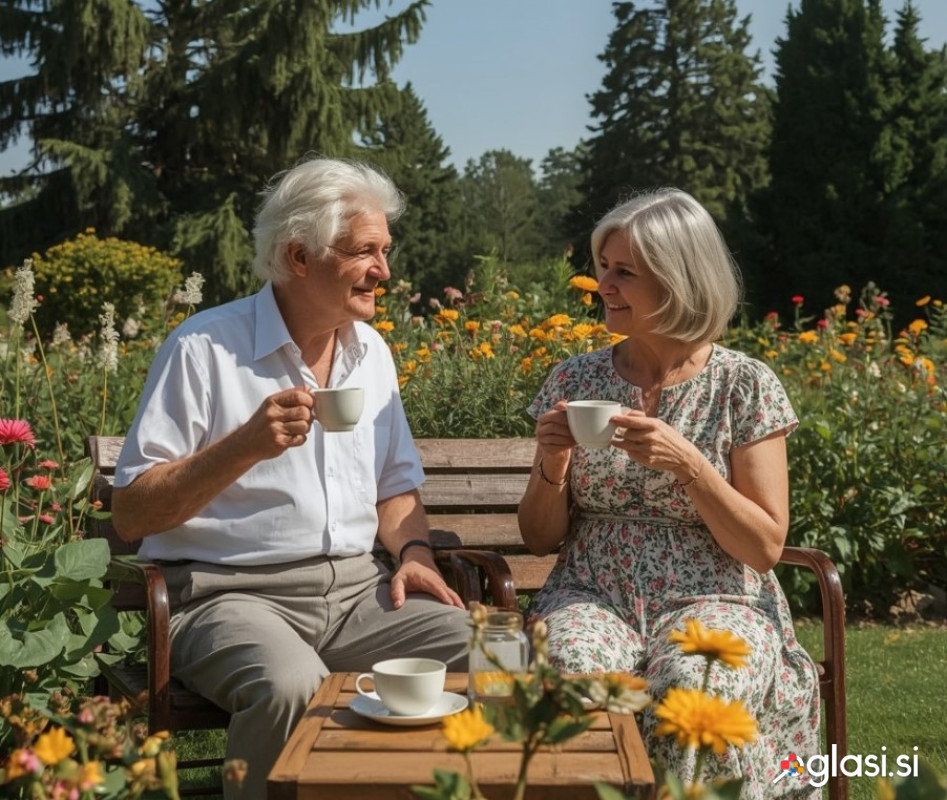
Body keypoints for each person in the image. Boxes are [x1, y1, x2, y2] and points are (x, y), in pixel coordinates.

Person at [111, 157, 470, 799]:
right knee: (289, 683)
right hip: (229, 598)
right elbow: (133, 513)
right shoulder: (203, 348)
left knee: (494, 656)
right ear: (300, 256)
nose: (384, 271)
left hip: (359, 596)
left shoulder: (371, 352)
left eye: (385, 250)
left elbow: (394, 486)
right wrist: (243, 446)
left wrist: (414, 553)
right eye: (366, 251)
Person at [518, 188, 820, 797]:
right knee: (572, 669)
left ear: (680, 280)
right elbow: (540, 537)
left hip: (717, 594)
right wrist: (554, 461)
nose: (604, 284)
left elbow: (764, 547)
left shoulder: (743, 384)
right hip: (593, 588)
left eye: (624, 272)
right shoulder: (576, 378)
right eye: (604, 267)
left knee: (697, 688)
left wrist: (690, 465)